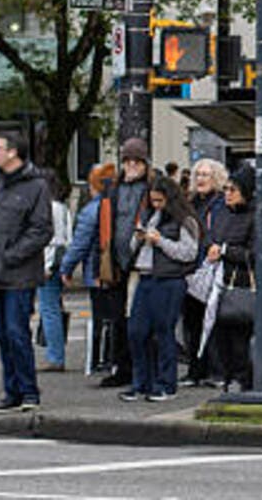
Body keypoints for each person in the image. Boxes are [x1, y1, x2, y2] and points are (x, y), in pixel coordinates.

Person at [0, 131, 52, 413]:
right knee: (3, 335)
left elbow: (41, 229)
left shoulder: (36, 186)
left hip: (19, 274)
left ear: (13, 152)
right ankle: (12, 391)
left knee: (17, 332)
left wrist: (11, 255)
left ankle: (29, 391)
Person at [120, 177, 199, 402]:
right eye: (153, 200)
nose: (156, 205)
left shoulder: (184, 220)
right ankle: (141, 382)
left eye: (160, 201)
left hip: (169, 279)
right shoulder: (149, 215)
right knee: (136, 332)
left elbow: (189, 252)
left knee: (163, 332)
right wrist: (137, 238)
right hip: (145, 275)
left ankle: (166, 383)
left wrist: (160, 241)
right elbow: (133, 248)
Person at [98, 138, 154, 388]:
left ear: (145, 163)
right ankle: (122, 367)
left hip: (141, 262)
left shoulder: (151, 188)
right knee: (118, 319)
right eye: (127, 161)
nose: (131, 165)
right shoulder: (112, 189)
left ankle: (139, 369)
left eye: (137, 161)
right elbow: (102, 225)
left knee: (138, 320)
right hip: (116, 262)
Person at [60, 163, 115, 372]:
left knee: (100, 317)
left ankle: (99, 359)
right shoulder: (119, 205)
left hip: (98, 270)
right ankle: (112, 358)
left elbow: (80, 244)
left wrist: (66, 268)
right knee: (115, 317)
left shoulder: (92, 210)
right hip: (118, 271)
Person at [208, 165, 256, 392]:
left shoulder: (255, 216)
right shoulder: (223, 214)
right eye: (225, 189)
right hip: (220, 282)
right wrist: (212, 248)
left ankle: (241, 378)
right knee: (221, 337)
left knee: (240, 337)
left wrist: (225, 250)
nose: (227, 194)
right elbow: (211, 238)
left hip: (242, 283)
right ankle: (228, 377)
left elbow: (255, 254)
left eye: (233, 190)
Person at [181, 158, 229, 387]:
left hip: (208, 265)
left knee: (210, 320)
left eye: (205, 175)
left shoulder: (219, 203)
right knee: (192, 321)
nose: (200, 179)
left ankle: (215, 370)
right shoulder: (192, 202)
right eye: (198, 174)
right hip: (191, 267)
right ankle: (196, 369)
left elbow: (216, 232)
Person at [36, 172, 74, 373]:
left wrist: (46, 266)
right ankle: (56, 353)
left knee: (49, 309)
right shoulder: (62, 208)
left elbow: (53, 241)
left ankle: (55, 356)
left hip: (49, 261)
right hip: (61, 261)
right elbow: (67, 239)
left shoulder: (47, 209)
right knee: (54, 308)